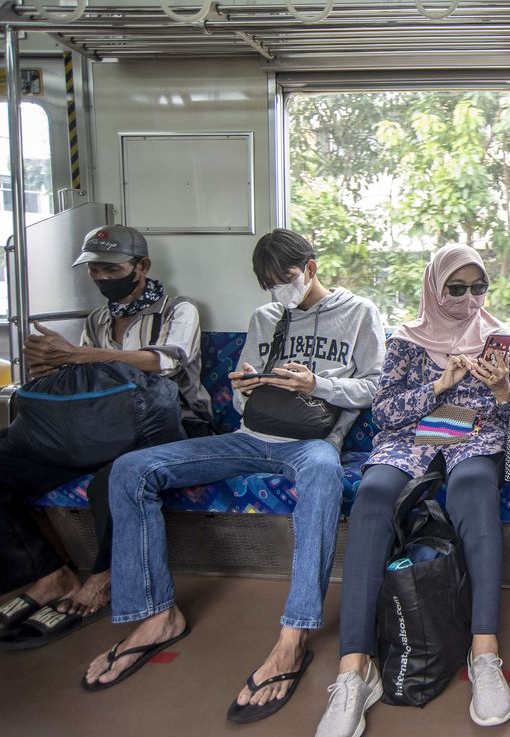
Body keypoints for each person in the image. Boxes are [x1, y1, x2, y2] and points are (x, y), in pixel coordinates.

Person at [82, 229, 385, 724]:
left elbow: (375, 386)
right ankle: (157, 615)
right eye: (268, 283)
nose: (277, 290)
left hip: (313, 443)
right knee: (132, 470)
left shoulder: (359, 313)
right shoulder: (267, 317)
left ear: (310, 267)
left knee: (324, 479)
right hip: (250, 436)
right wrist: (245, 388)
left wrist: (316, 383)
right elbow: (246, 395)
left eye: (284, 278)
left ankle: (293, 636)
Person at [315, 244, 510, 735]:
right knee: (372, 498)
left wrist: (499, 390)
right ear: (435, 287)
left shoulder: (498, 338)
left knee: (473, 489)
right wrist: (438, 386)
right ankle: (354, 669)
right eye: (457, 288)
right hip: (410, 436)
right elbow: (384, 412)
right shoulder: (406, 341)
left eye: (479, 287)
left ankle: (484, 652)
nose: (470, 298)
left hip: (471, 433)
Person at [0, 224, 210, 647]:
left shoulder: (179, 310)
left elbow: (164, 364)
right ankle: (47, 574)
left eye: (111, 269)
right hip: (99, 426)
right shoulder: (98, 320)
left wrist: (78, 354)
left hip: (170, 427)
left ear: (141, 266)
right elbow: (89, 380)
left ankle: (103, 576)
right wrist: (53, 368)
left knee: (116, 477)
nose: (101, 278)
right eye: (94, 270)